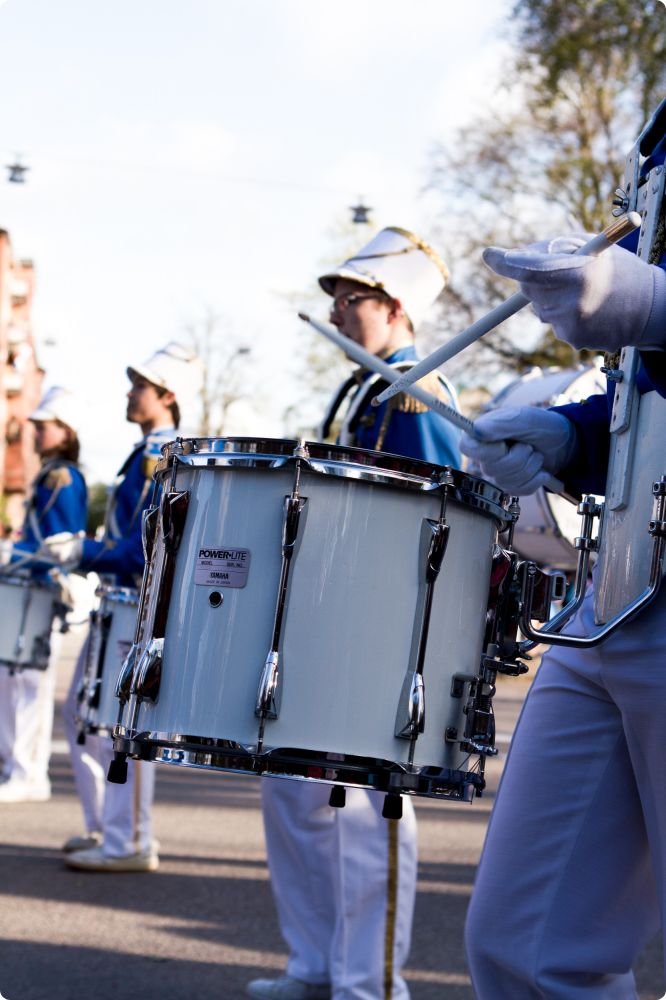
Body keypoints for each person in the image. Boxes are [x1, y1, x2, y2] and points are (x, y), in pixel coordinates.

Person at [459, 118, 666, 996]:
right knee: (527, 946)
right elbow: (642, 389)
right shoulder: (659, 134)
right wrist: (567, 435)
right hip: (615, 592)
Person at [249, 227, 462, 1000]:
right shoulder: (368, 390)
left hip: (379, 632)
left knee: (367, 813)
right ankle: (313, 964)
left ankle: (369, 983)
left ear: (394, 304)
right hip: (326, 621)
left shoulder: (418, 389)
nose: (337, 314)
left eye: (350, 298)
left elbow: (439, 518)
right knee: (295, 795)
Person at [45, 342, 203, 872]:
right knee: (84, 717)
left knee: (122, 724)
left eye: (140, 386)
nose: (130, 393)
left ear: (168, 396)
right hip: (120, 603)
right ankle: (105, 827)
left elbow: (147, 544)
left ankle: (130, 839)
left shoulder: (165, 454)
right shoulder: (143, 453)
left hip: (138, 605)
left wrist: (84, 549)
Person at [0, 387, 88, 803]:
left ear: (65, 431)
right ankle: (13, 767)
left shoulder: (64, 477)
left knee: (30, 685)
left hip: (41, 593)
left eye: (44, 426)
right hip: (27, 591)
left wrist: (21, 556)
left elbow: (62, 544)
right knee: (13, 682)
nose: (35, 432)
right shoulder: (49, 473)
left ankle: (29, 773)